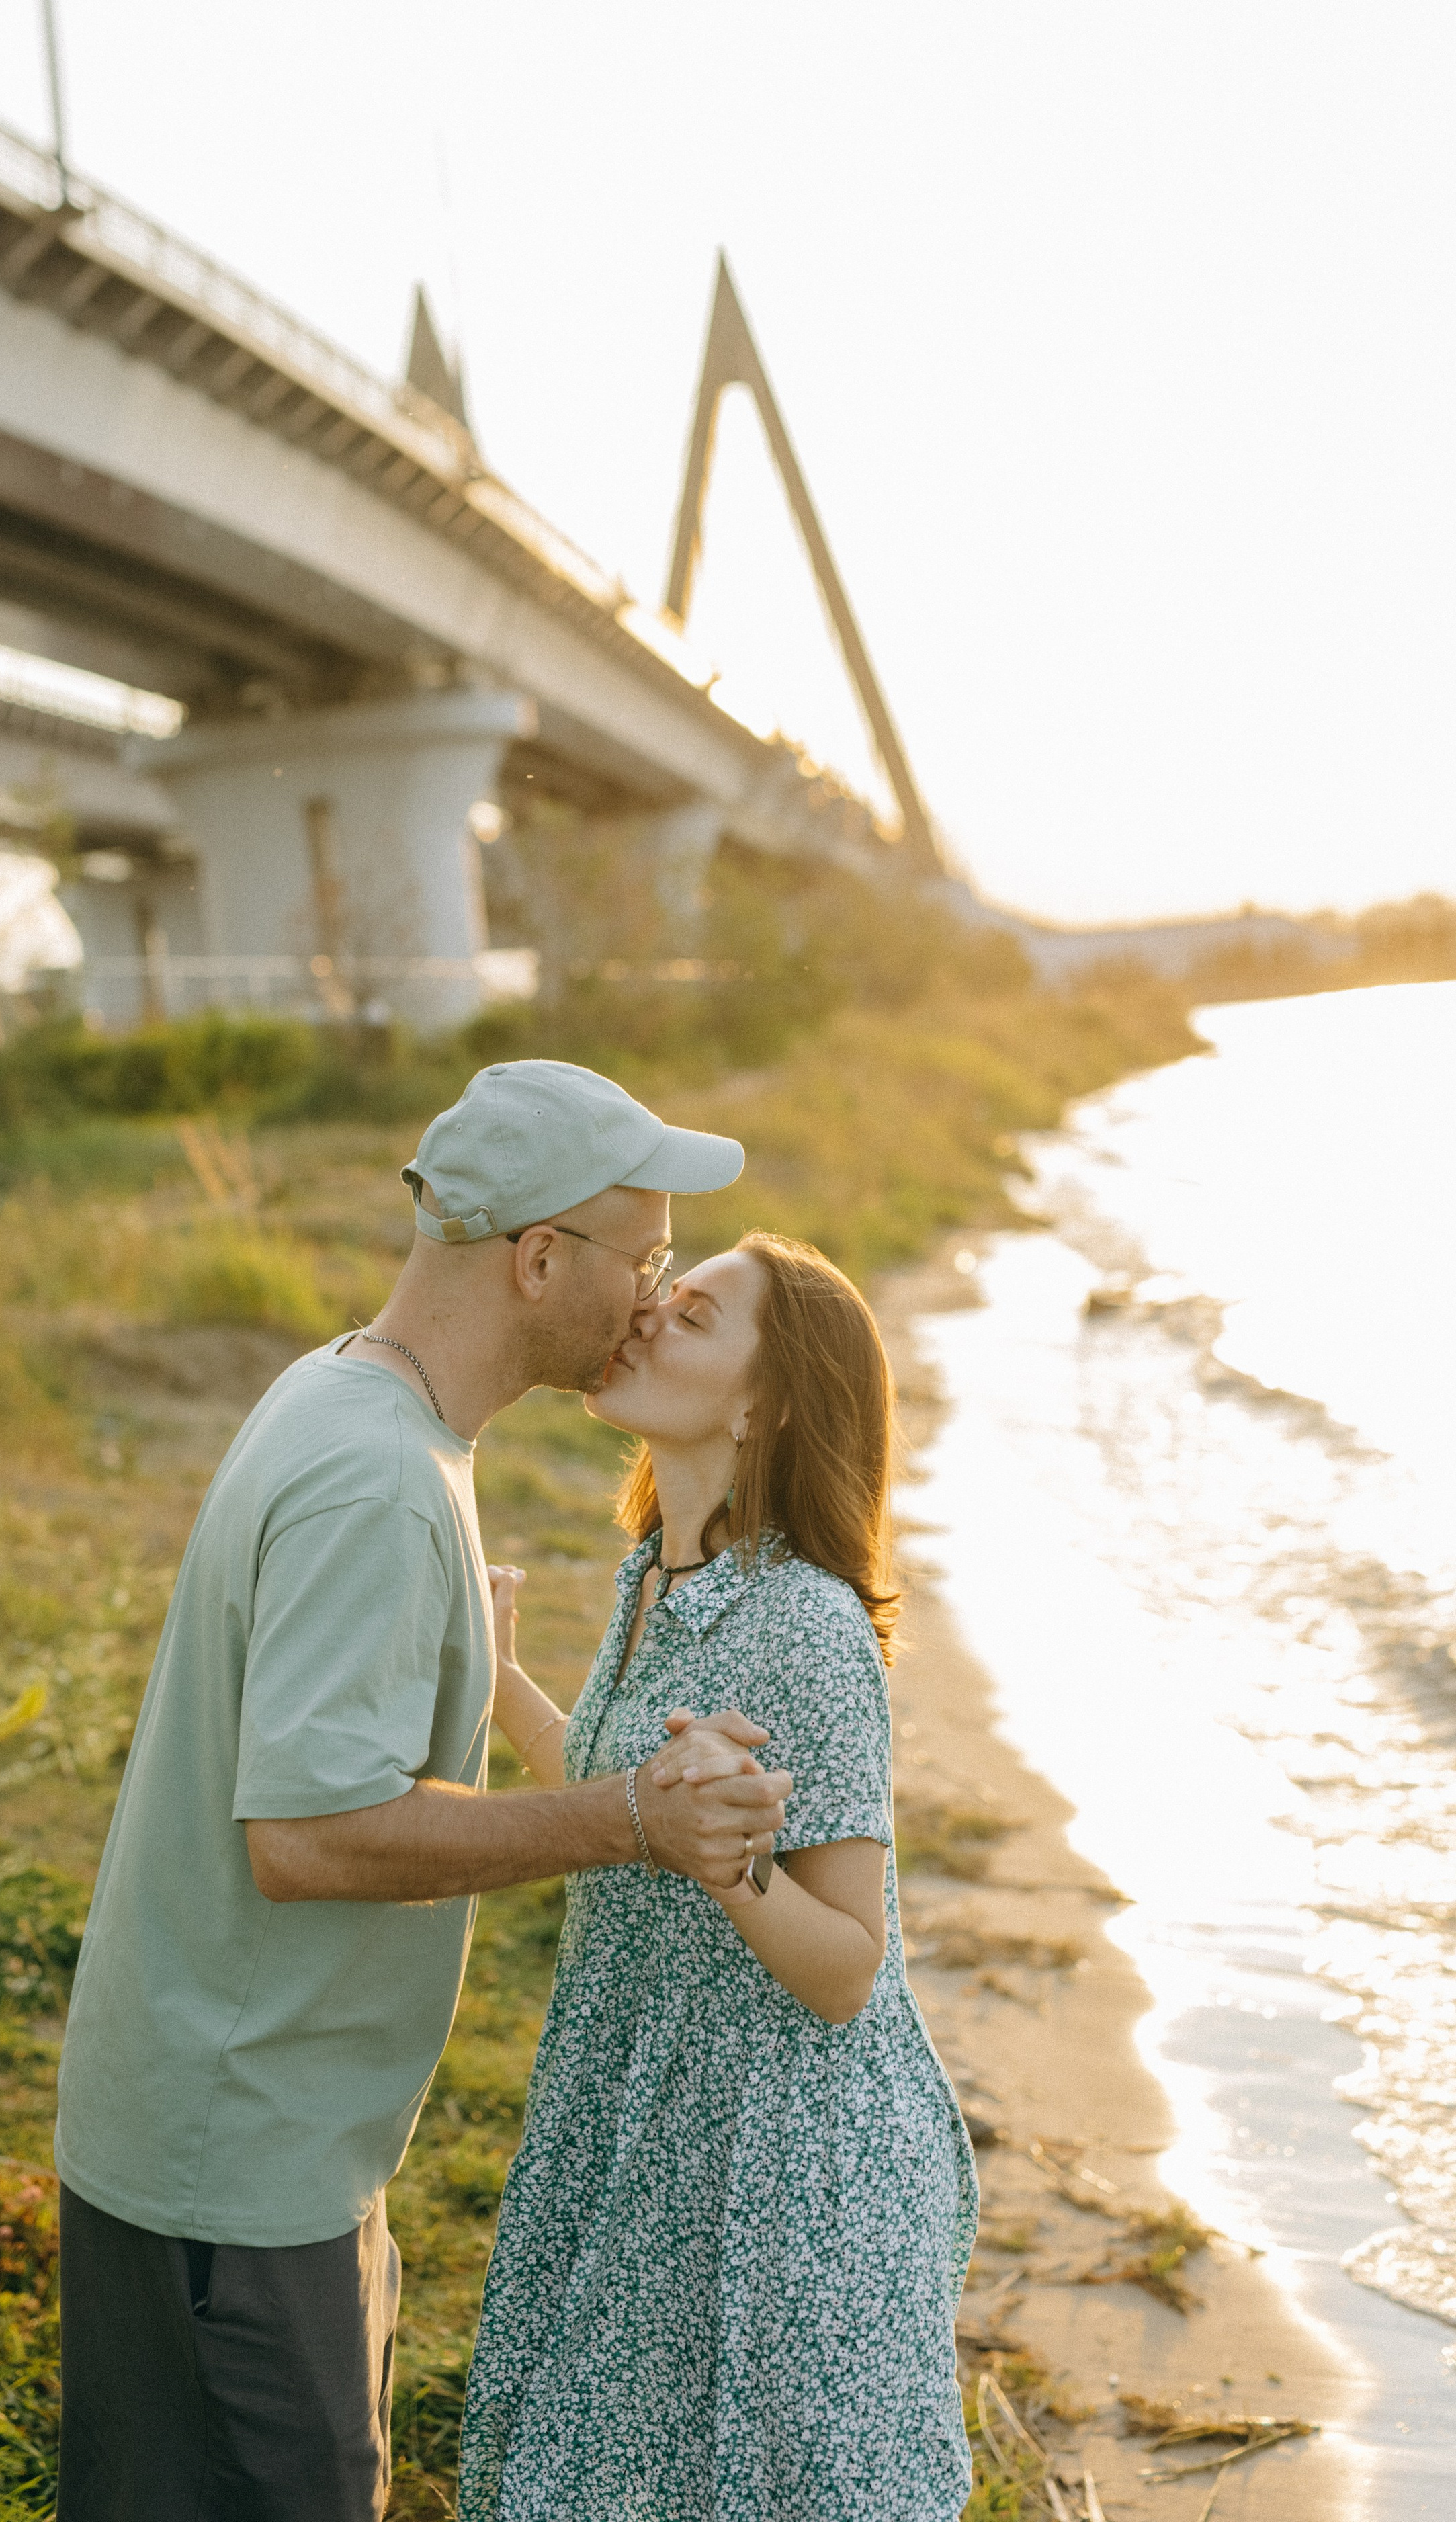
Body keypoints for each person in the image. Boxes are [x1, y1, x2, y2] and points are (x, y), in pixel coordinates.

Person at [52, 1060, 794, 2522]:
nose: (650, 1298)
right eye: (641, 1259)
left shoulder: (351, 1398)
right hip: (232, 2172)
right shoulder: (376, 1480)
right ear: (535, 1258)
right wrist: (626, 1819)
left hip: (257, 2139)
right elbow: (309, 1840)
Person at [460, 1231, 979, 2522]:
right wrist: (498, 1677)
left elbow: (851, 1969)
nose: (644, 1316)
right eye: (663, 1293)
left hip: (775, 2164)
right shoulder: (656, 1575)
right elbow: (621, 1791)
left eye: (691, 1316)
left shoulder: (803, 1624)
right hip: (647, 2104)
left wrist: (733, 1869)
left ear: (766, 1403)